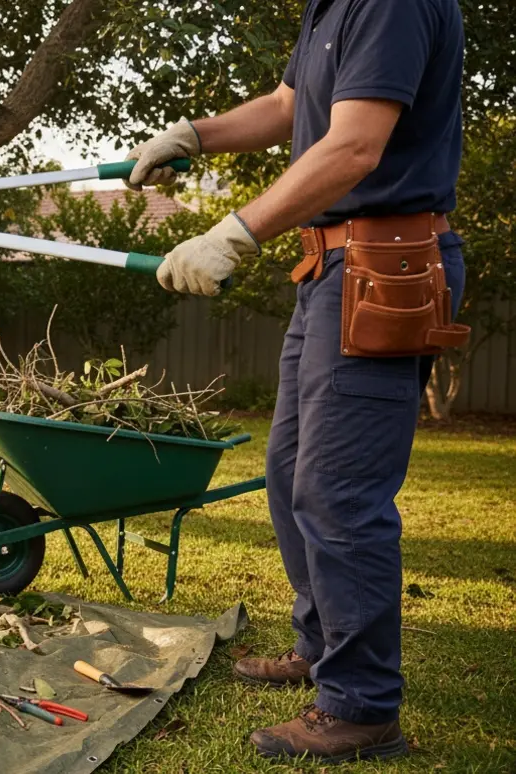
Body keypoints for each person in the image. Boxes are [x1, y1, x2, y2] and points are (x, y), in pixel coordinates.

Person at [124, 0, 467, 764]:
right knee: (290, 474)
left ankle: (362, 706)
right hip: (332, 268)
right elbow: (288, 108)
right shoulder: (330, 8)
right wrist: (194, 136)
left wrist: (234, 232)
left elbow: (353, 147)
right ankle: (321, 648)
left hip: (387, 268)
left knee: (339, 491)